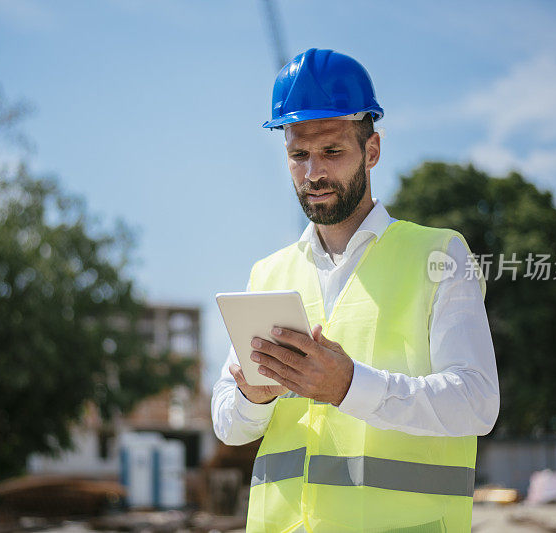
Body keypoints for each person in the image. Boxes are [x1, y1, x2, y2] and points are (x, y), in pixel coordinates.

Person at [211, 48, 499, 532]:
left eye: (331, 152)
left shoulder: (440, 256)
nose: (313, 174)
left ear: (372, 151)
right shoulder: (268, 275)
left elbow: (477, 402)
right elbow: (227, 423)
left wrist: (350, 387)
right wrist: (253, 399)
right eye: (298, 155)